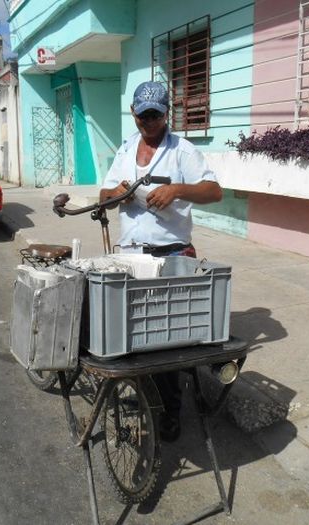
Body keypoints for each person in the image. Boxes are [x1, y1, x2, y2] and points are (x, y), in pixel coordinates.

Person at [100, 81, 222, 441]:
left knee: (163, 342)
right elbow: (104, 195)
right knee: (128, 335)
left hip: (171, 255)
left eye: (155, 115)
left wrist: (178, 189)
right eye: (142, 115)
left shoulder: (182, 150)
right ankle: (140, 395)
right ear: (134, 114)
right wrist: (116, 194)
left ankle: (170, 410)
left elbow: (214, 191)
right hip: (130, 255)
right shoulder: (125, 150)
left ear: (167, 113)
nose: (148, 122)